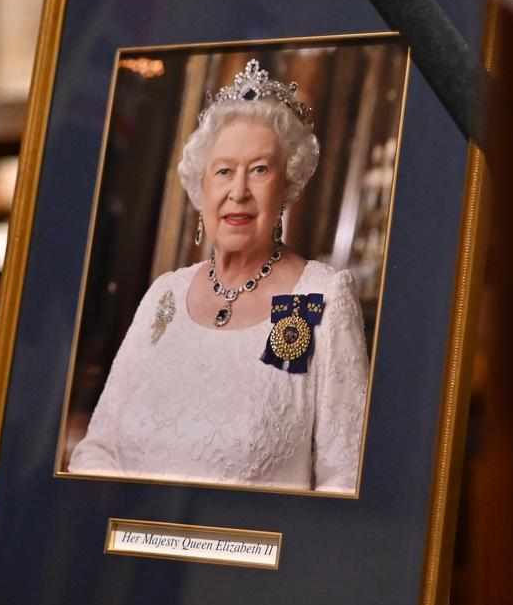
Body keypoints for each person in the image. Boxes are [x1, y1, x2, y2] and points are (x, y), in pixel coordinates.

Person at [69, 59, 370, 493]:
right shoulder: (165, 297)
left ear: (286, 187)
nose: (239, 191)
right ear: (202, 188)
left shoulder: (314, 298)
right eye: (224, 171)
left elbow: (345, 479)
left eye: (260, 170)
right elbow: (97, 449)